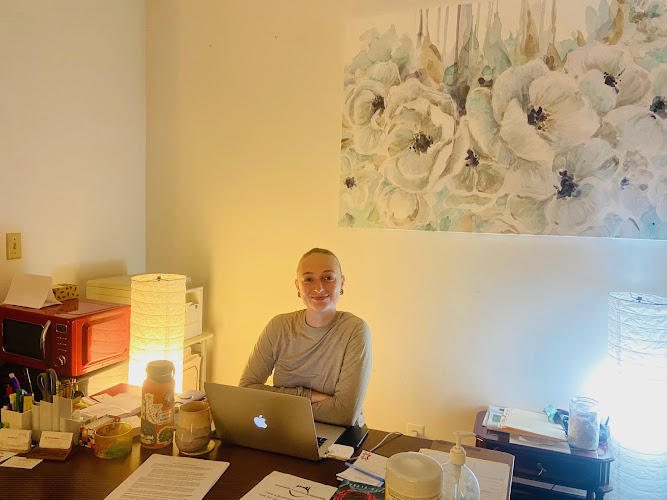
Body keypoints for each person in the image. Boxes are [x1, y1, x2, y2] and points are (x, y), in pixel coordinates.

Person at [239, 248, 372, 427]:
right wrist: (308, 396)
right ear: (298, 286)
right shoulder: (279, 326)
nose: (319, 287)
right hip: (284, 428)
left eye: (328, 278)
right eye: (309, 279)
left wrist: (277, 404)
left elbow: (343, 414)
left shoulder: (355, 330)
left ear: (341, 282)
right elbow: (247, 389)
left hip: (340, 433)